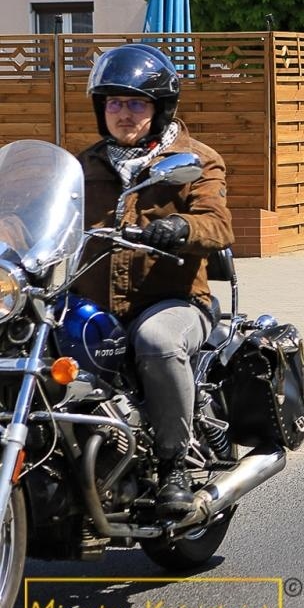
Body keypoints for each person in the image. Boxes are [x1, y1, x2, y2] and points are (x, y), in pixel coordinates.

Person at [74, 44, 233, 516]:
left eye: (135, 103)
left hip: (175, 301)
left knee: (156, 342)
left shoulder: (195, 160)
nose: (123, 113)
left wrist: (182, 228)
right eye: (114, 103)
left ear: (159, 108)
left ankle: (174, 463)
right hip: (95, 301)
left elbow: (219, 225)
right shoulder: (84, 165)